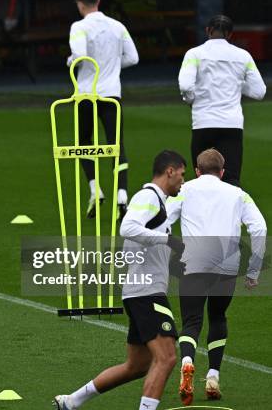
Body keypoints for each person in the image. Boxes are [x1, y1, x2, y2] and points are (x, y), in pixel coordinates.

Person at [54, 150, 187, 410]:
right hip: (146, 293)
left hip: (140, 291)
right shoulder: (148, 196)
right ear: (169, 171)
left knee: (136, 366)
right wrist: (167, 240)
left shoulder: (158, 202)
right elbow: (127, 227)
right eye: (182, 175)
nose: (183, 181)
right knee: (168, 357)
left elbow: (135, 245)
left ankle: (71, 401)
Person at [166, 148, 266, 405]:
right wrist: (253, 269)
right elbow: (260, 227)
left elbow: (162, 220)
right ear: (222, 172)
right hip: (227, 266)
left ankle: (187, 362)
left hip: (193, 262)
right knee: (218, 316)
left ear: (197, 171)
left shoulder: (185, 189)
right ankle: (213, 377)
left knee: (191, 321)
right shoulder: (238, 194)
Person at [67, 0, 139, 220]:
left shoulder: (79, 26)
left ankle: (94, 190)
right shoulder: (118, 26)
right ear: (98, 0)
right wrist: (113, 67)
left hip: (86, 92)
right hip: (111, 93)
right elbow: (133, 58)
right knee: (116, 145)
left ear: (80, 4)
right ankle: (121, 197)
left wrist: (71, 61)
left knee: (83, 143)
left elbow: (78, 55)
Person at [178, 15, 266, 187]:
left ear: (207, 31)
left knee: (202, 181)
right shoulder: (243, 56)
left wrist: (191, 101)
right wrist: (236, 84)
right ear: (230, 34)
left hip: (203, 123)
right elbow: (259, 91)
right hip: (231, 125)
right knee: (231, 180)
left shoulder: (194, 54)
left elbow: (186, 86)